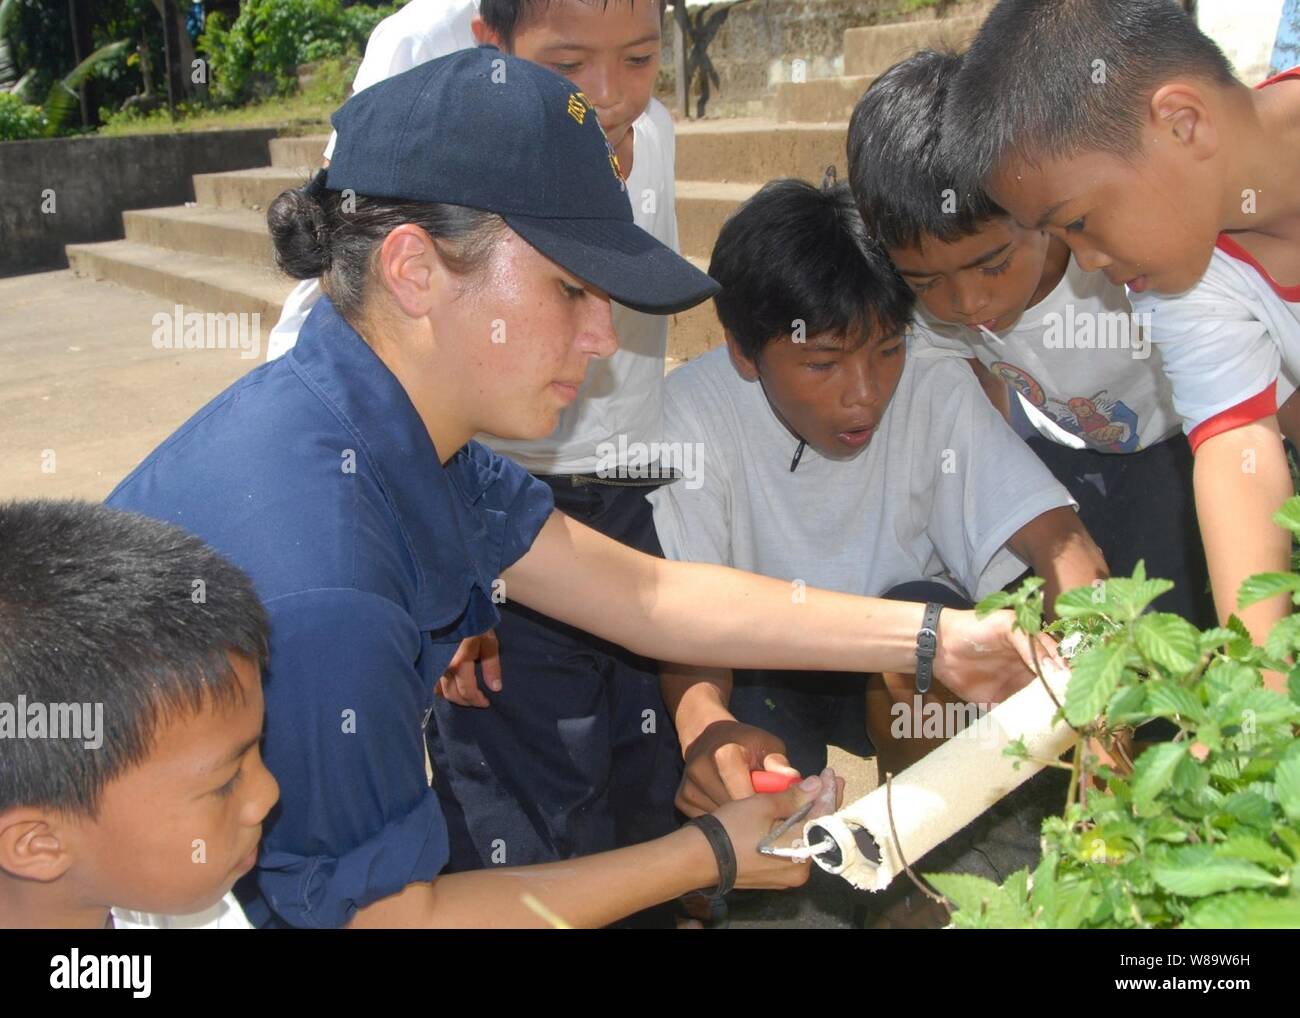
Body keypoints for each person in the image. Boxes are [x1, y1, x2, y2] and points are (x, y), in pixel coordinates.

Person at [105, 48, 1053, 929]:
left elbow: (645, 595)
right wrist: (706, 854)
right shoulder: (331, 583)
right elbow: (392, 922)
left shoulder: (373, 426)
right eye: (569, 290)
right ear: (415, 269)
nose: (604, 339)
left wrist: (934, 637)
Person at [266, 0, 696, 880]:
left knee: (641, 788)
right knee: (533, 813)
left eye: (643, 58)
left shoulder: (653, 133)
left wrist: (925, 634)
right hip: (498, 485)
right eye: (569, 67)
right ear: (487, 45)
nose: (608, 95)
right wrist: (439, 561)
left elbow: (654, 599)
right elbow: (351, 293)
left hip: (599, 490)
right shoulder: (421, 61)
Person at [651, 177, 1103, 799]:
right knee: (738, 770)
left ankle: (921, 847)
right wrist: (708, 728)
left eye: (887, 350)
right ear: (743, 350)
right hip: (765, 671)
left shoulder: (931, 378)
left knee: (929, 628)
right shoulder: (692, 415)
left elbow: (1059, 539)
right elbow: (689, 626)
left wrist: (1096, 680)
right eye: (823, 364)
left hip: (913, 661)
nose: (865, 392)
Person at [942, 0, 1300, 660]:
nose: (1086, 260)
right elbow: (1237, 444)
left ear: (1181, 123)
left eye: (1075, 221)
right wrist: (1251, 702)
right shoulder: (1193, 273)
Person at [846, 48, 1213, 626]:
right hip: (1062, 451)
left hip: (1189, 446)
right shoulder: (924, 310)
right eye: (926, 280)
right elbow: (974, 405)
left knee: (1177, 616)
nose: (968, 305)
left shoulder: (1119, 260)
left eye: (991, 264)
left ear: (1037, 201)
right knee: (1068, 610)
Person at [0, 499, 278, 930]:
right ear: (40, 844)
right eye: (225, 784)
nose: (267, 794)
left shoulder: (184, 909)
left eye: (255, 751)